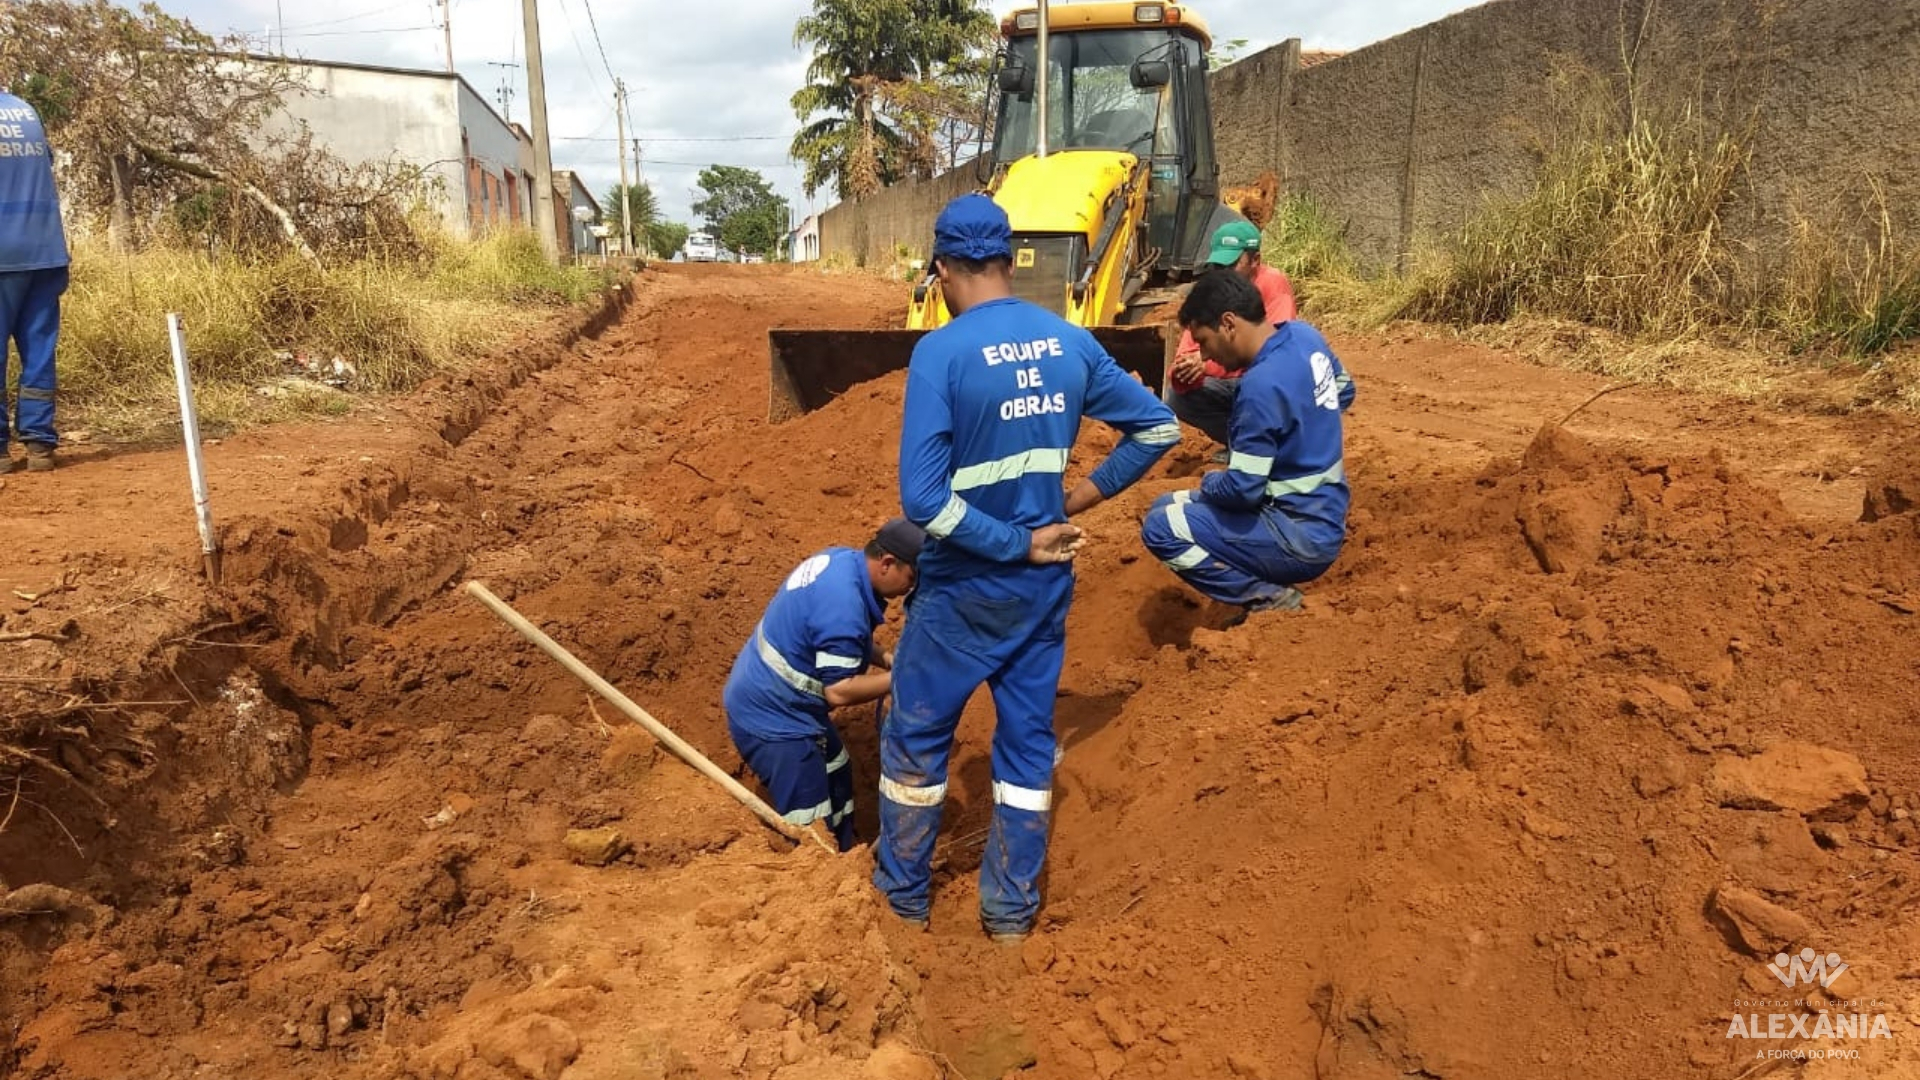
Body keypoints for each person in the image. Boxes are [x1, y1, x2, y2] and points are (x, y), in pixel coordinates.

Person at [875, 193, 1181, 942]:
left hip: (963, 592)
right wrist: (1072, 502)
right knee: (1024, 749)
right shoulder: (1067, 342)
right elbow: (1160, 426)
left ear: (943, 269)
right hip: (1041, 592)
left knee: (915, 740)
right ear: (1010, 262)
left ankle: (901, 904)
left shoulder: (941, 351)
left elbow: (922, 501)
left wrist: (1012, 541)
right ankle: (1009, 912)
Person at [1140, 271, 1355, 624]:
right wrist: (1306, 426)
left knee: (1161, 527)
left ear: (1228, 324)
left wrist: (1210, 480)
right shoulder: (1305, 336)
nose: (1206, 355)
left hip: (1298, 536)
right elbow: (1344, 391)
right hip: (1326, 512)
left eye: (1204, 341)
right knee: (1168, 504)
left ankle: (1267, 598)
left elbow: (1243, 490)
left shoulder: (1259, 387)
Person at [724, 518, 925, 851]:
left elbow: (843, 640)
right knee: (811, 821)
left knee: (838, 769)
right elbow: (840, 689)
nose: (910, 588)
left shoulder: (843, 562)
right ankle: (817, 877)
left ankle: (846, 854)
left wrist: (888, 659)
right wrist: (901, 679)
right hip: (773, 719)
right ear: (888, 563)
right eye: (912, 578)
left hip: (780, 699)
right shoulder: (844, 606)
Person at [1164, 220, 1298, 457]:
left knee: (1258, 382)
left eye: (1231, 264)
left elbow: (1272, 355)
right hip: (1232, 382)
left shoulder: (1273, 284)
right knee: (1178, 397)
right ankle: (1240, 444)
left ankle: (1268, 445)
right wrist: (1186, 370)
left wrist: (1206, 363)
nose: (1222, 272)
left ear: (1255, 260)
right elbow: (1183, 358)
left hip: (1258, 381)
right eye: (1217, 265)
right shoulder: (1210, 291)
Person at [0, 89, 70, 474]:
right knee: (39, 350)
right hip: (45, 250)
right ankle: (39, 445)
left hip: (2, 255)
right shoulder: (25, 111)